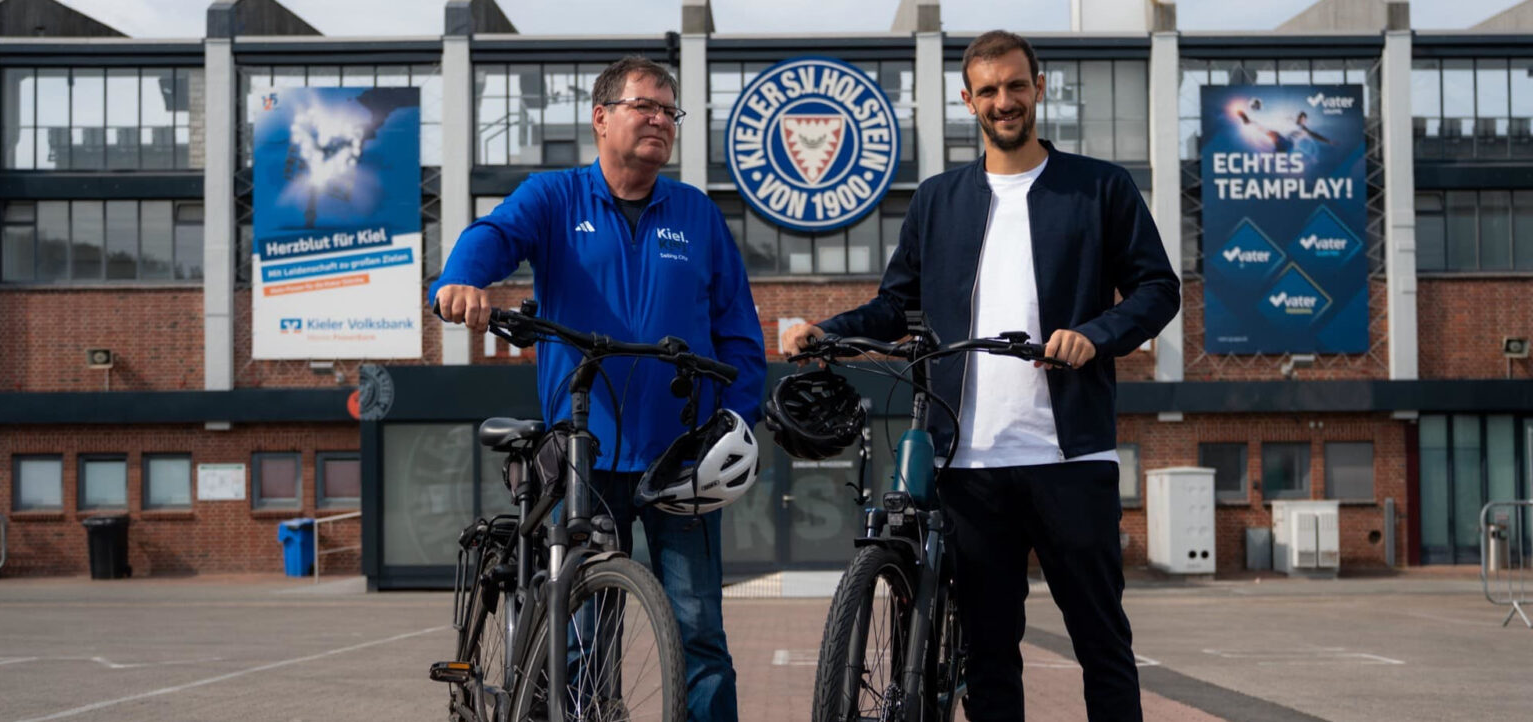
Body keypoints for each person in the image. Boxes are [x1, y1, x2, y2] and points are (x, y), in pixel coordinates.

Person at [780, 30, 1180, 722]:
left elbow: (1157, 288)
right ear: (967, 100)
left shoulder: (1100, 188)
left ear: (1039, 88)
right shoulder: (938, 201)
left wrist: (1094, 335)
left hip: (1071, 458)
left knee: (1101, 644)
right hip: (966, 464)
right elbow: (895, 305)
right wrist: (827, 331)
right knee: (989, 655)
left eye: (1016, 85)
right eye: (989, 90)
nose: (1004, 101)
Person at [430, 56, 763, 722]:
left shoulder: (696, 215)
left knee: (700, 637)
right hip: (585, 457)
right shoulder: (555, 198)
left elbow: (741, 339)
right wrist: (464, 277)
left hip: (684, 463)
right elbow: (494, 233)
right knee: (584, 644)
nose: (661, 120)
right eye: (647, 106)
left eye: (670, 111)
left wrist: (733, 423)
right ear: (601, 117)